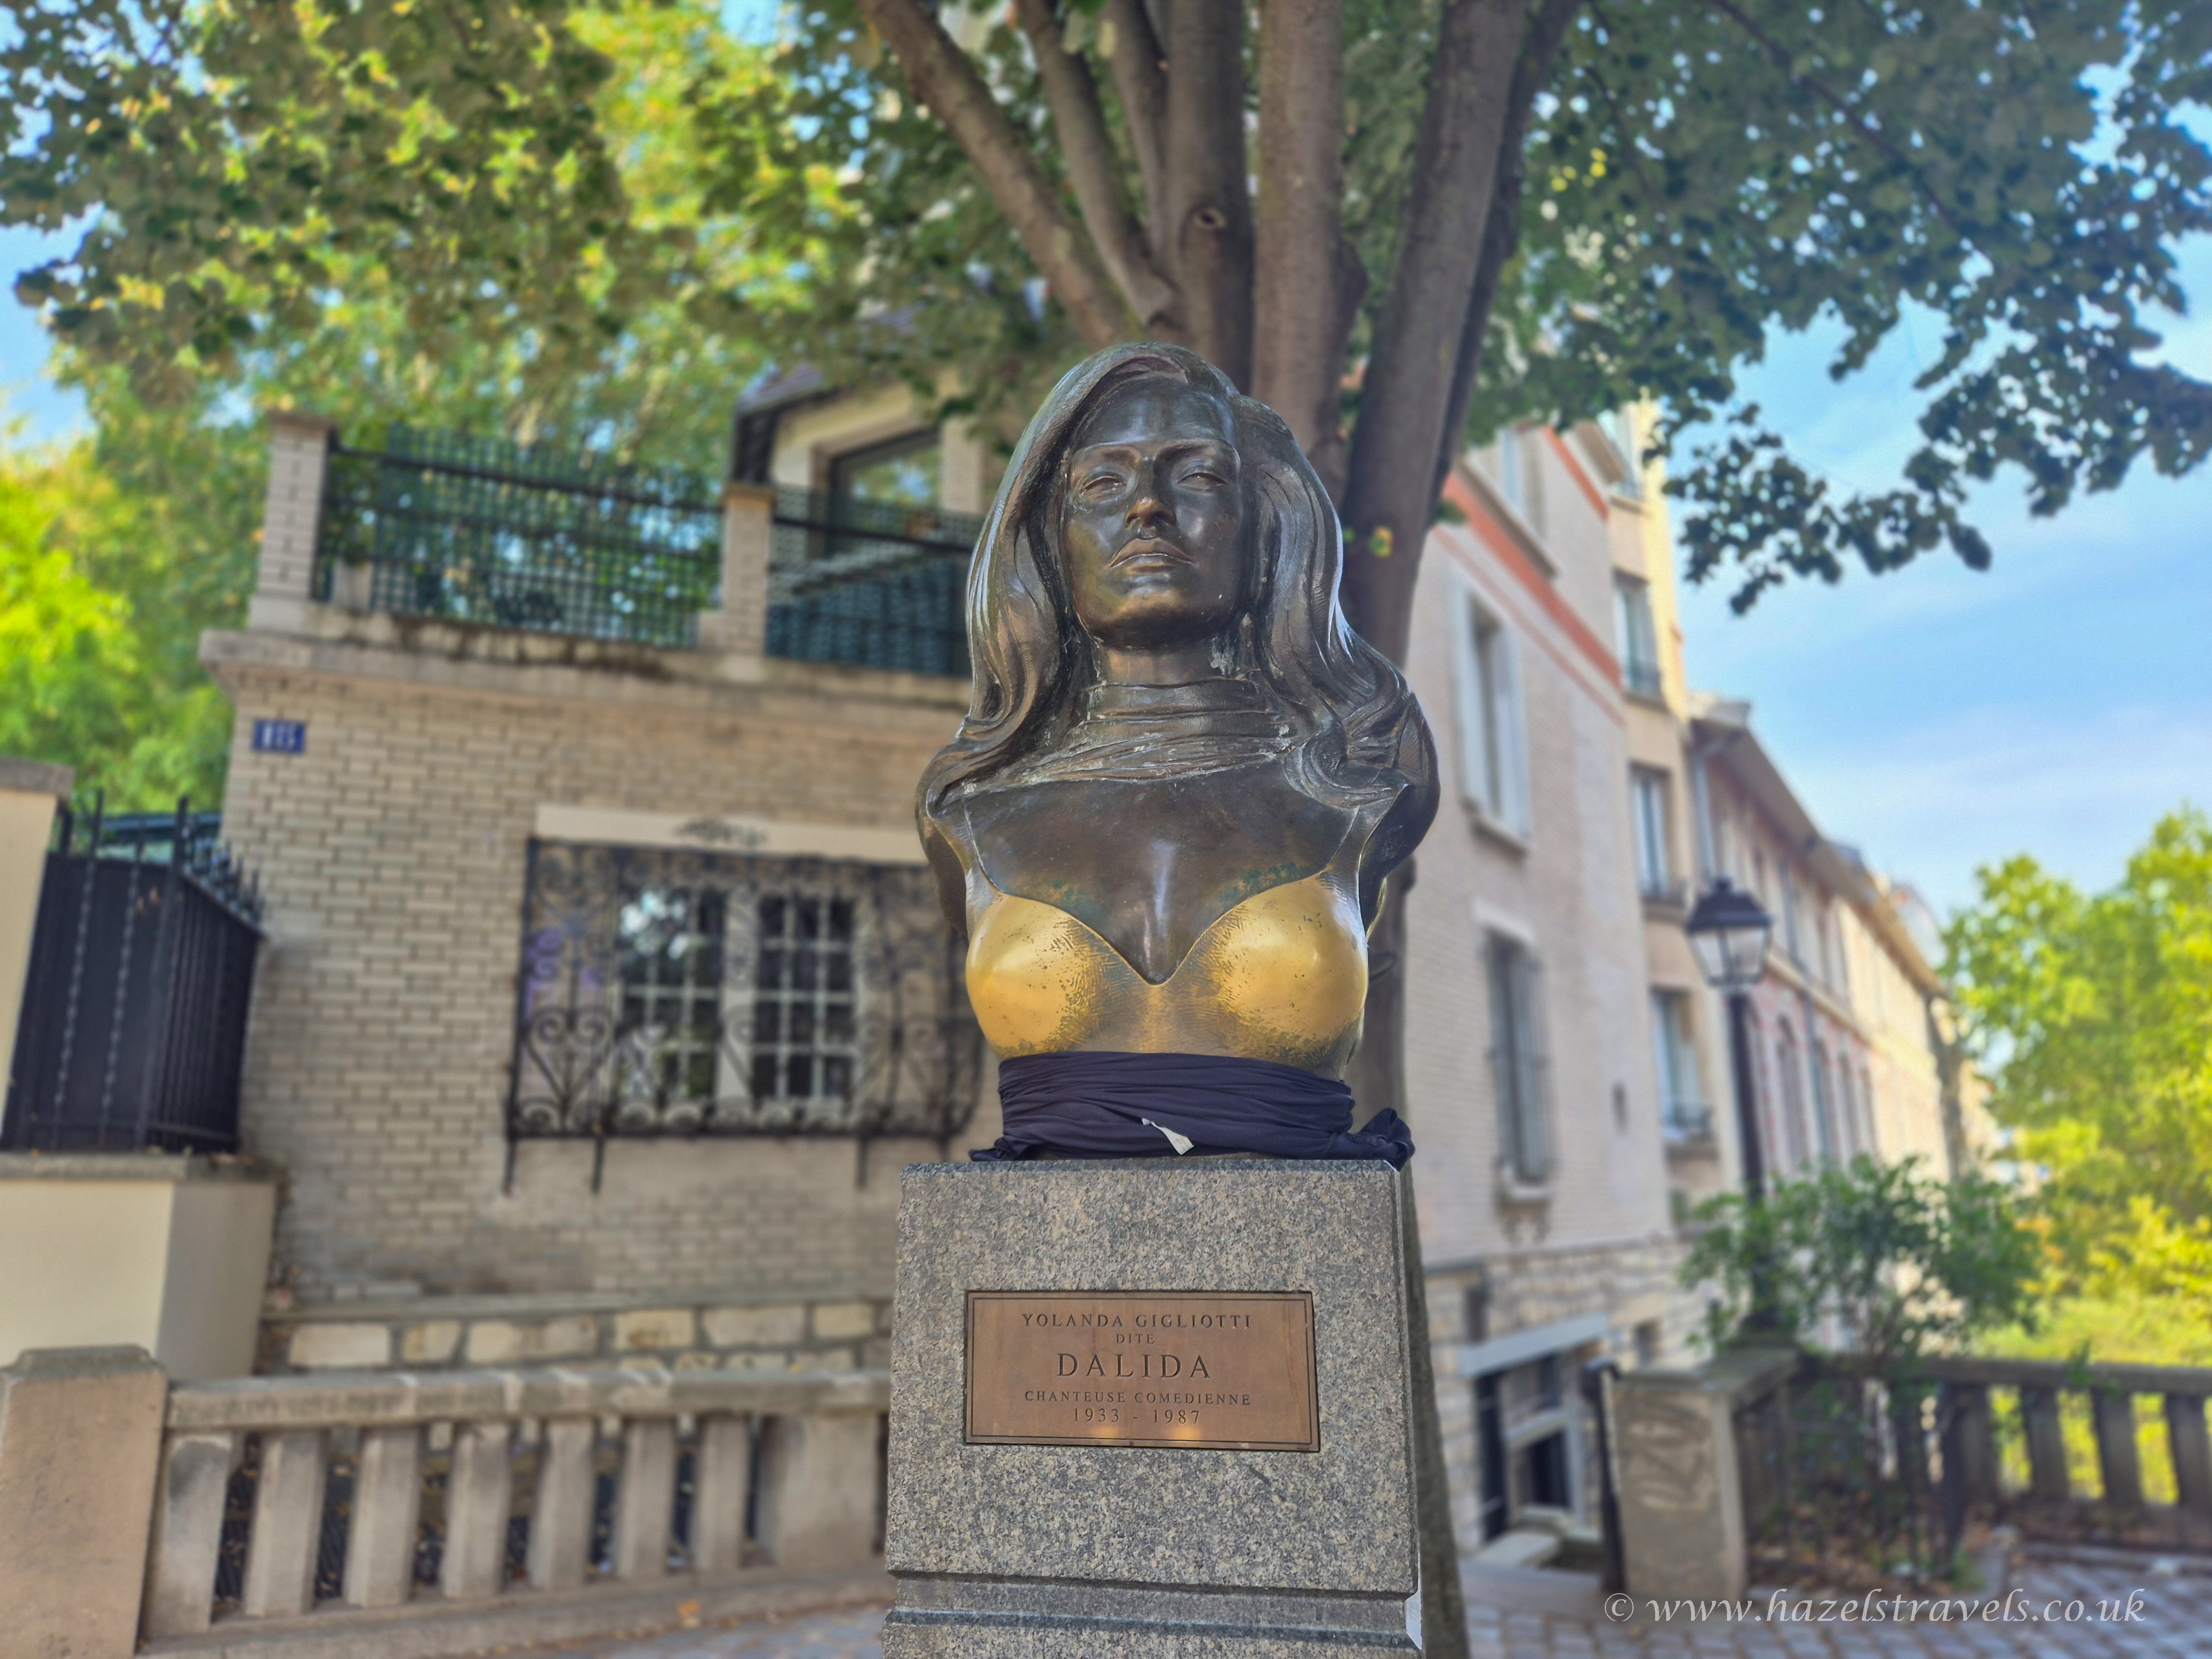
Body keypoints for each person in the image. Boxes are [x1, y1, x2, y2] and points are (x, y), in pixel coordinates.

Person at [917, 342, 1437, 1164]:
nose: (1149, 509)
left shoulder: (1358, 788)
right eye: (1103, 483)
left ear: (1262, 524)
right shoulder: (968, 811)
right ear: (1051, 541)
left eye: (1197, 476)